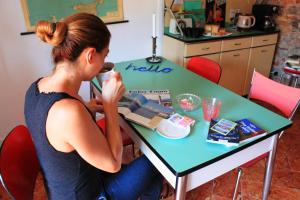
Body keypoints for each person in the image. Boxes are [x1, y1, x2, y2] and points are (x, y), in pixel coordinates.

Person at [24, 13, 163, 200]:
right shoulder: (68, 112)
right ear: (90, 55)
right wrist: (110, 105)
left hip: (63, 187)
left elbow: (57, 130)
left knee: (143, 169)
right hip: (91, 194)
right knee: (157, 162)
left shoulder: (36, 88)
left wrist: (86, 107)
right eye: (104, 56)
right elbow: (113, 163)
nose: (103, 63)